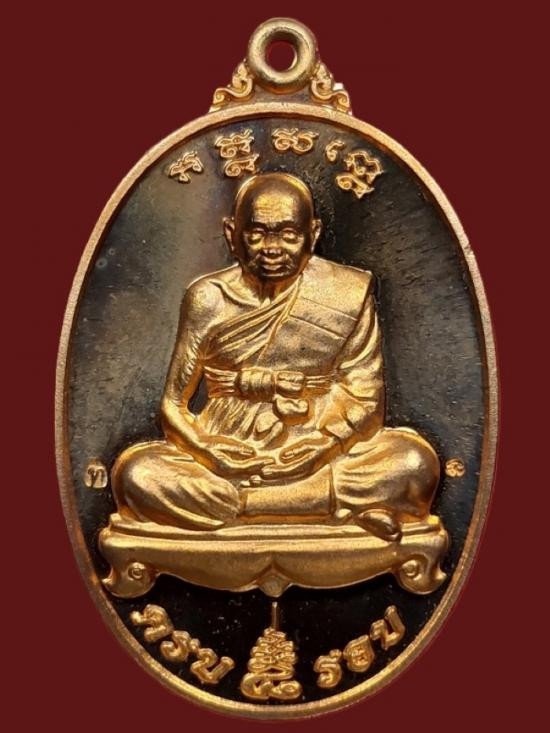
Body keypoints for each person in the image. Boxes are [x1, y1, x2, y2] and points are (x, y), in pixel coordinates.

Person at [111, 172, 440, 541]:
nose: (272, 248)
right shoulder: (208, 298)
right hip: (226, 451)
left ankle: (247, 506)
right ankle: (321, 506)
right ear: (231, 234)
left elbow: (367, 399)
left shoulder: (346, 293)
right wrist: (207, 451)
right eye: (256, 234)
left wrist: (324, 446)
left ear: (313, 234)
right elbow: (173, 404)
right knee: (138, 473)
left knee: (413, 463)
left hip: (317, 445)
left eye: (289, 235)